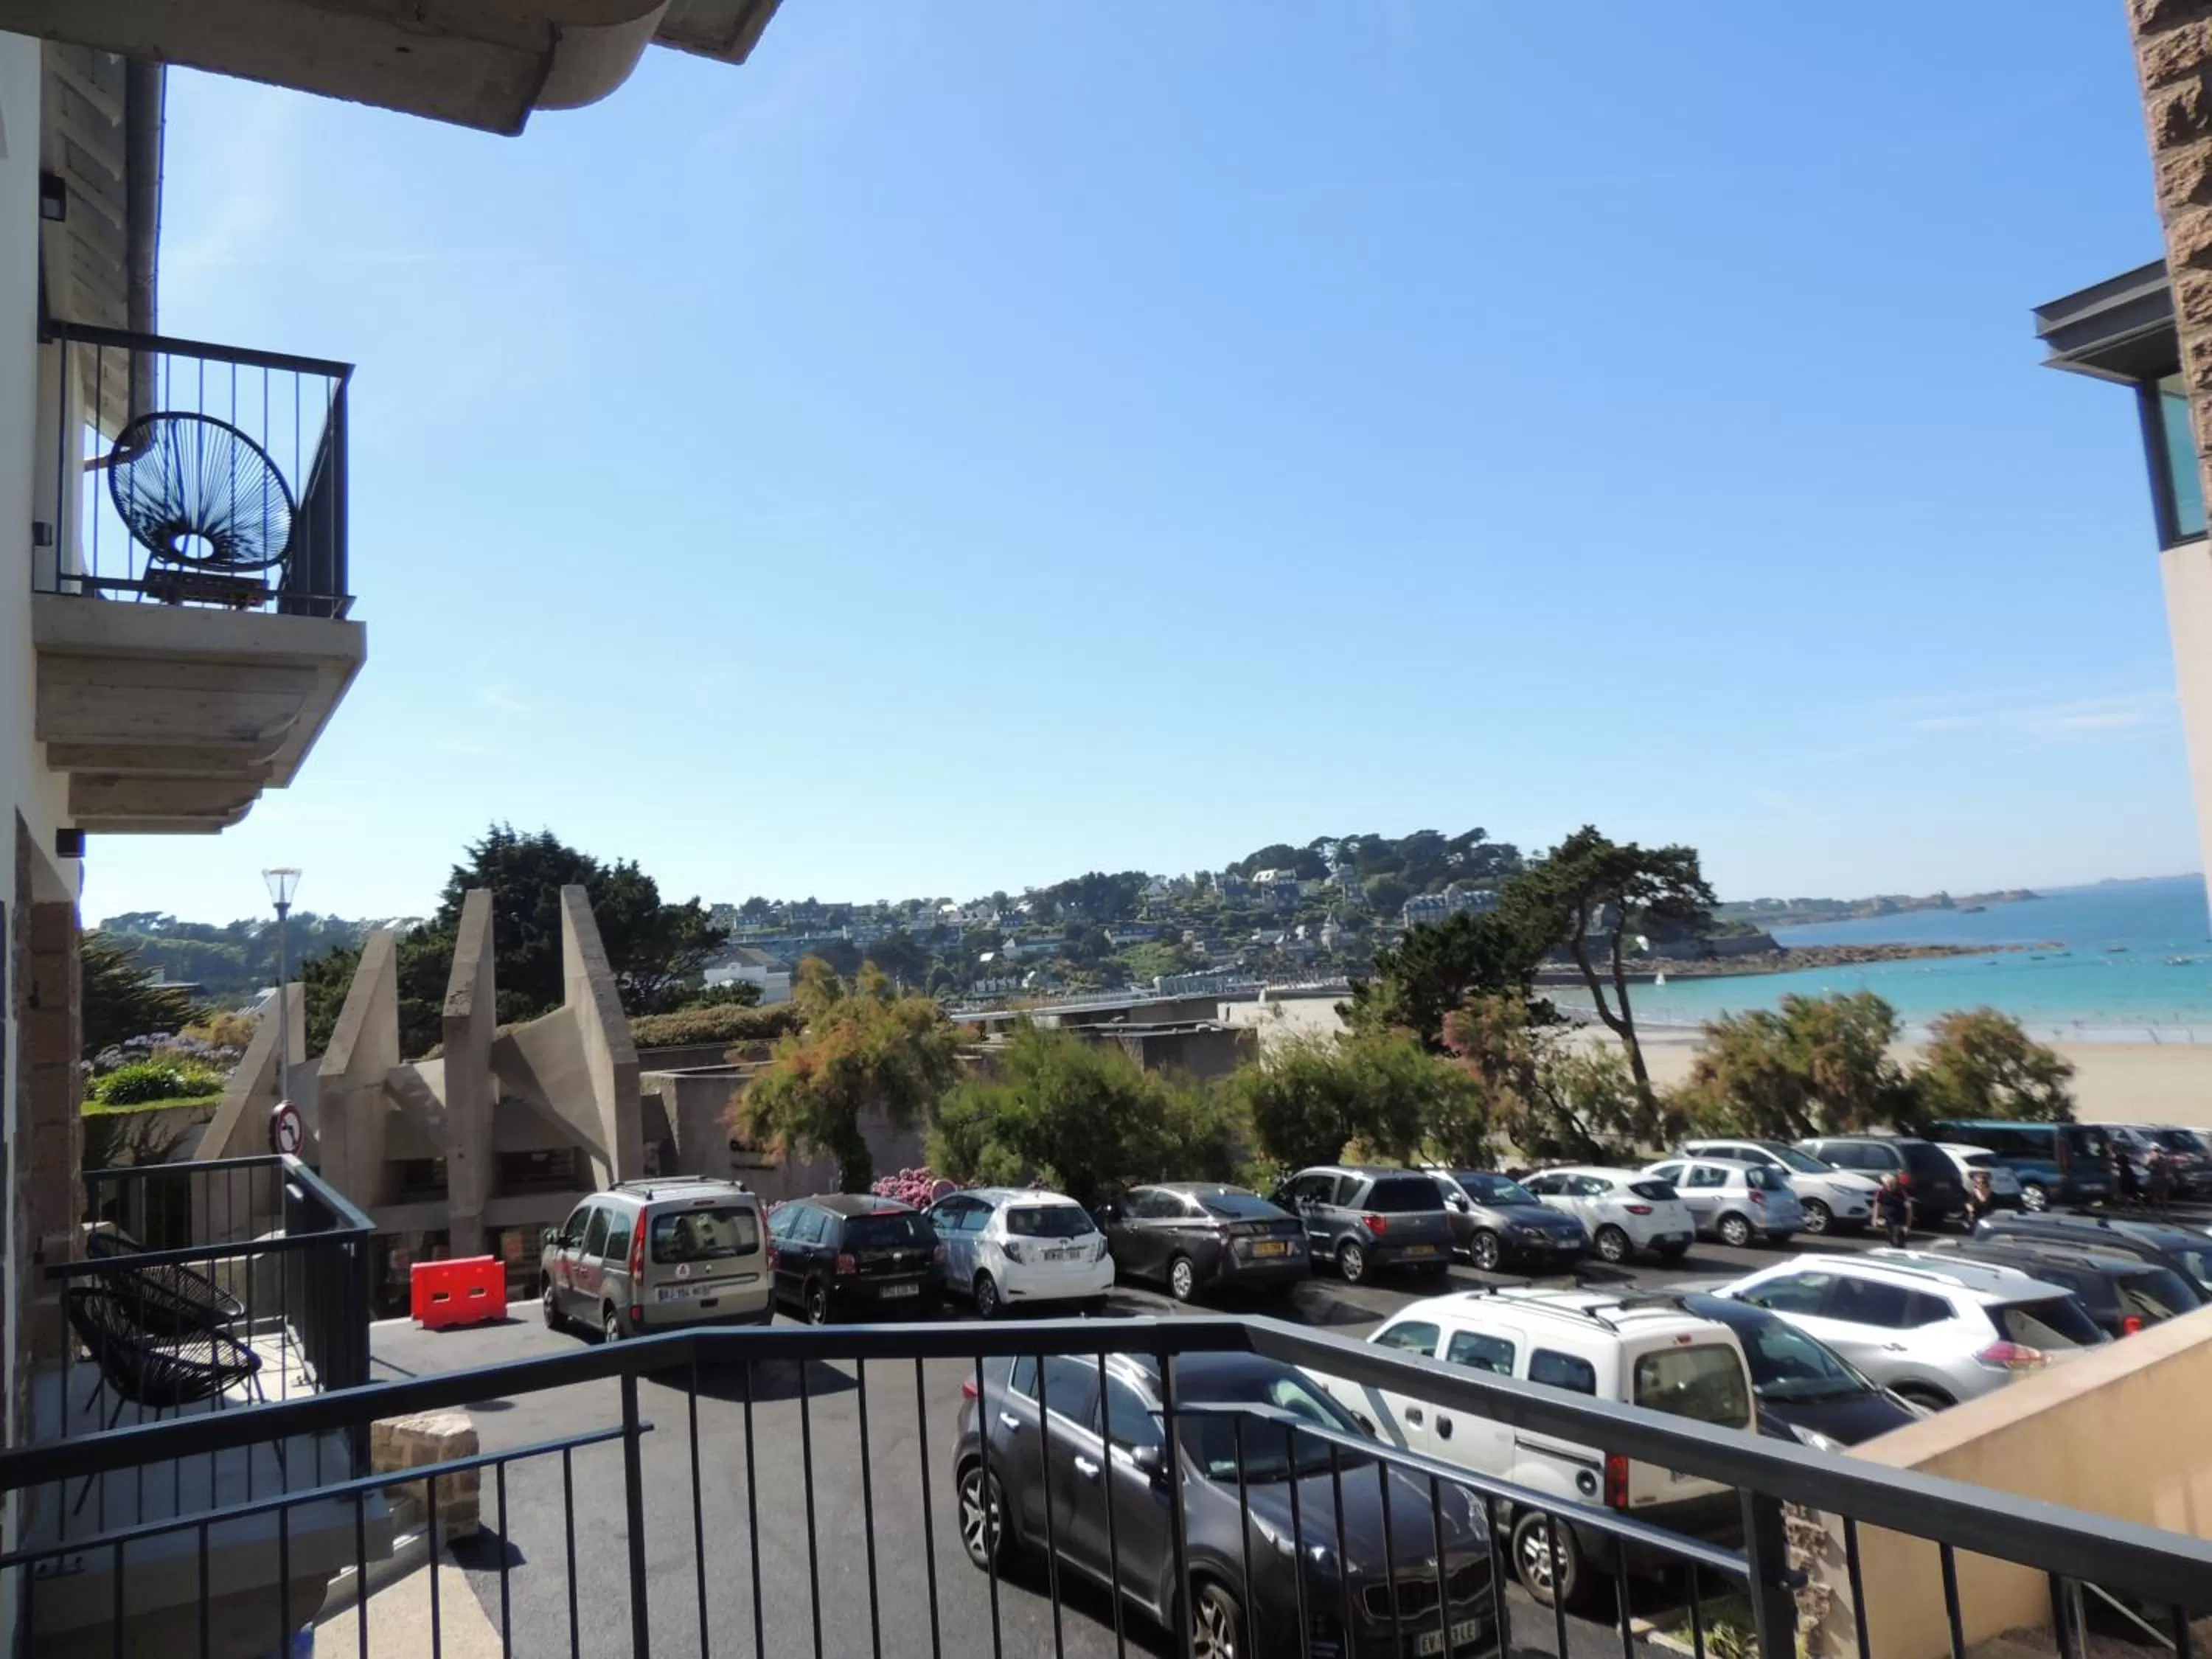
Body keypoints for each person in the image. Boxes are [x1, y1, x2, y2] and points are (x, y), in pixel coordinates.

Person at [1874, 1172, 1913, 1248]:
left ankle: (1900, 1249)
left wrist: (1908, 1225)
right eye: (1888, 1184)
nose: (1890, 1186)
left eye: (1892, 1184)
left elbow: (1909, 1209)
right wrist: (1875, 1219)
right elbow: (1877, 1206)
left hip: (1900, 1221)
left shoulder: (1902, 1193)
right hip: (1888, 1220)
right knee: (1891, 1237)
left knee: (1898, 1238)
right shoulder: (1882, 1192)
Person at [1961, 1168, 1997, 1232]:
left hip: (1984, 1212)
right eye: (1976, 1181)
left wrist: (1978, 1192)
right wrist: (1968, 1206)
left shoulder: (1987, 1191)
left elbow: (1984, 1201)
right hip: (1975, 1212)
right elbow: (1969, 1201)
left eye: (1980, 1182)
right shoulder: (1974, 1191)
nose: (1977, 1184)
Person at [2147, 1146, 2174, 1218]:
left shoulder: (2154, 1160)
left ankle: (2156, 1210)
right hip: (2163, 1178)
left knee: (2155, 1195)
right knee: (2163, 1195)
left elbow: (2147, 1167)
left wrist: (2152, 1168)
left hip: (2156, 1178)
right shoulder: (2164, 1160)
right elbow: (2167, 1169)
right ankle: (2164, 1211)